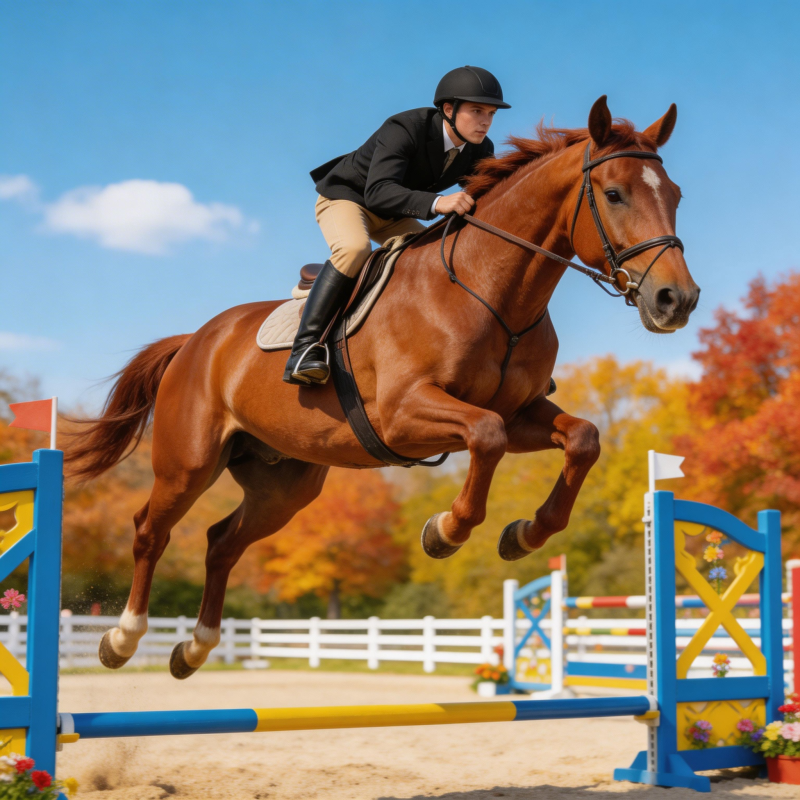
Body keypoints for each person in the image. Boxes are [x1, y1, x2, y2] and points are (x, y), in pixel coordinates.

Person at [283, 65, 511, 386]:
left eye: (491, 113)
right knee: (354, 248)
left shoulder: (480, 149)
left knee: (440, 261)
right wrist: (437, 203)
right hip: (349, 198)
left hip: (396, 214)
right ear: (449, 109)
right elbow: (377, 192)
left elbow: (487, 198)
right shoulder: (405, 128)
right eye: (476, 111)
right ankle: (305, 349)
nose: (486, 121)